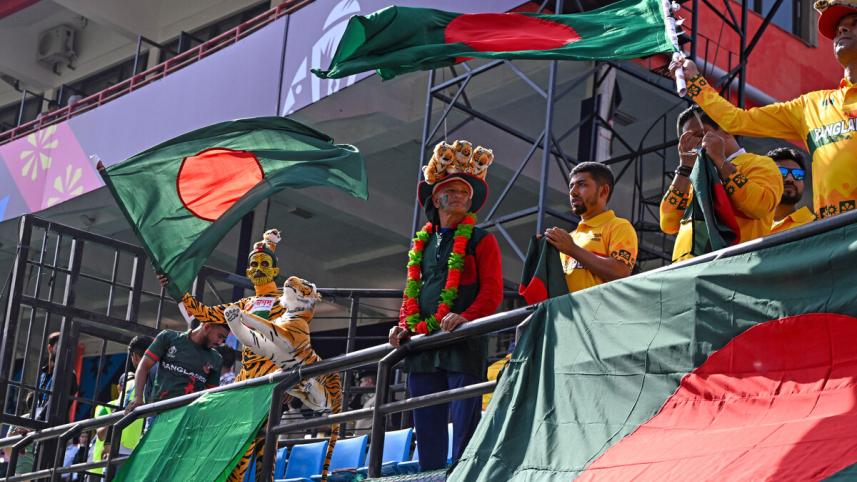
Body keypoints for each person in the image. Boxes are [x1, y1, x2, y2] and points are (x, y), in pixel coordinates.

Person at [670, 4, 857, 220]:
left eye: (854, 24)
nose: (842, 30)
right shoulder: (810, 106)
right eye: (839, 29)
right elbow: (737, 121)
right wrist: (695, 82)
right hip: (833, 231)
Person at [388, 140, 504, 471]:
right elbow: (413, 293)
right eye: (451, 191)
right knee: (427, 429)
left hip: (462, 344)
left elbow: (493, 292)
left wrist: (465, 317)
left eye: (465, 194)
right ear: (435, 197)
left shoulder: (482, 240)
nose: (459, 198)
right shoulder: (420, 244)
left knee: (464, 426)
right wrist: (403, 327)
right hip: (423, 349)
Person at [158, 229, 286, 481]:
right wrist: (176, 289)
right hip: (247, 384)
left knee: (265, 454)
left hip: (272, 381)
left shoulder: (284, 301)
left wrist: (269, 246)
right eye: (254, 265)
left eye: (264, 264)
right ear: (248, 273)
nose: (258, 268)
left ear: (274, 272)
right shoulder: (244, 305)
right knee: (239, 453)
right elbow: (204, 313)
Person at [660, 106, 783, 261]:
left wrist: (720, 162)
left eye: (701, 134)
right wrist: (685, 168)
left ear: (726, 128)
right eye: (689, 140)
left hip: (732, 266)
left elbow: (759, 206)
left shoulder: (760, 164)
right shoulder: (694, 175)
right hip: (685, 271)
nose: (696, 144)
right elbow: (668, 223)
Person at [544, 162, 638, 292]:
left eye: (581, 184)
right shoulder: (569, 238)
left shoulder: (619, 226)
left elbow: (620, 272)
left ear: (603, 191)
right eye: (571, 186)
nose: (573, 192)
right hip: (569, 311)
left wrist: (572, 249)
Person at [125, 323, 225, 413]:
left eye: (223, 339)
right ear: (207, 327)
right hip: (158, 413)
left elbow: (210, 395)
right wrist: (137, 397)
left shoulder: (217, 359)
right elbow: (144, 366)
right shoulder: (169, 337)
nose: (220, 342)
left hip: (189, 417)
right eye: (219, 336)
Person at [768, 147, 817, 234]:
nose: (790, 179)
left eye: (798, 174)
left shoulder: (816, 224)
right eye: (781, 172)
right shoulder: (751, 224)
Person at [35, 332, 79, 423]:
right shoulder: (44, 374)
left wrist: (37, 420)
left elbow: (55, 401)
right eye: (60, 347)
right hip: (39, 425)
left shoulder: (68, 374)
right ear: (50, 348)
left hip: (54, 428)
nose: (65, 351)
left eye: (67, 348)